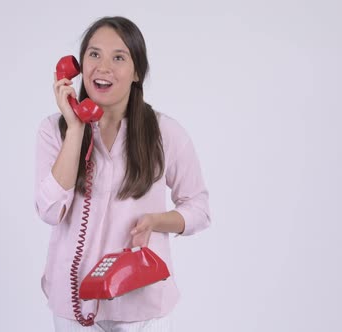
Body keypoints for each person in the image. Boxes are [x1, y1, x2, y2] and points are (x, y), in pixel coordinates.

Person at [34, 16, 210, 331]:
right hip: (73, 303)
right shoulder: (53, 130)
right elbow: (49, 211)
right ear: (78, 65)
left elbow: (198, 208)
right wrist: (75, 128)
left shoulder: (165, 132)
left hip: (141, 303)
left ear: (137, 71)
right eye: (94, 54)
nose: (103, 67)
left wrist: (157, 221)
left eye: (119, 57)